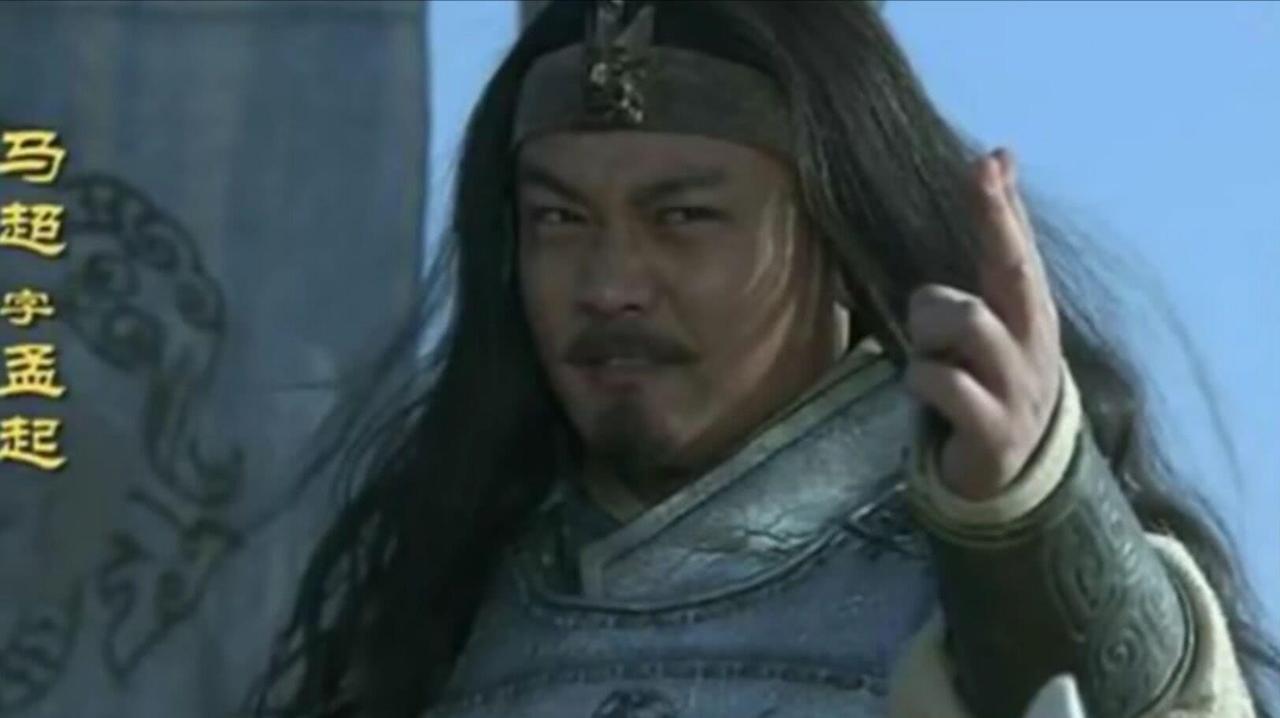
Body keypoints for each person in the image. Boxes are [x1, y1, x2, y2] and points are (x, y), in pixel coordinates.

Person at [250, 2, 1280, 717]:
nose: (610, 283)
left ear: (834, 234)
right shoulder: (445, 621)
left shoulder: (961, 597)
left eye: (682, 217)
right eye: (560, 219)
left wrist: (1030, 524)